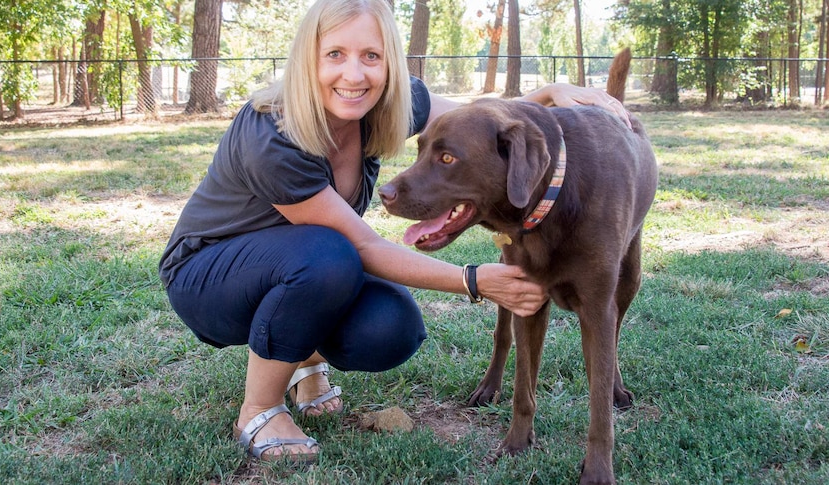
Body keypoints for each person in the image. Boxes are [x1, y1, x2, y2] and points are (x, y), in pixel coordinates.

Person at [159, 0, 629, 464]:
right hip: (207, 277)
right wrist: (474, 280)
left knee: (392, 327)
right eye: (335, 54)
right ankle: (259, 408)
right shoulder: (272, 132)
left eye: (371, 56)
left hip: (295, 269)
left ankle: (305, 365)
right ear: (309, 58)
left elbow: (479, 121)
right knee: (328, 255)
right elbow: (362, 244)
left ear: (389, 63)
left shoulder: (379, 104)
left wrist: (549, 92)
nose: (354, 74)